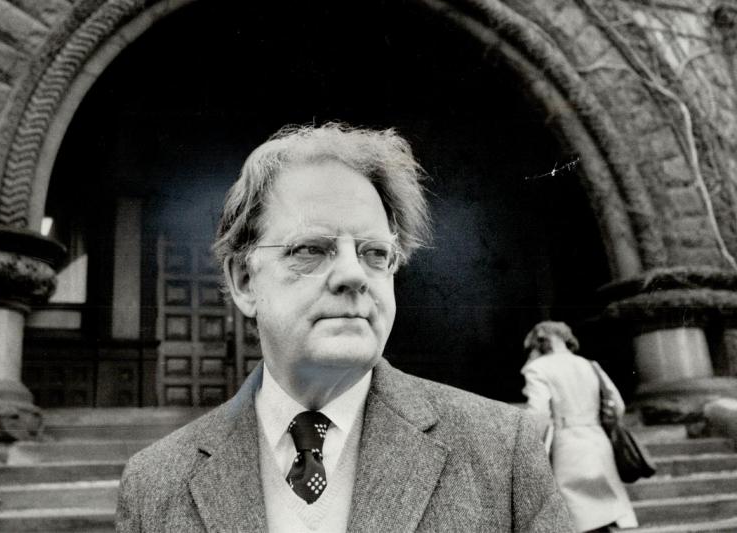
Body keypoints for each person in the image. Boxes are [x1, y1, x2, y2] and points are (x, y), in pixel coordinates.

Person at [116, 123, 573, 532]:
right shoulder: (154, 484)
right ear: (244, 281)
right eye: (311, 249)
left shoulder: (503, 450)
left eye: (375, 253)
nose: (355, 275)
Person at [521, 321, 638, 532]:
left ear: (539, 342)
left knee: (578, 517)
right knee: (603, 514)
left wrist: (526, 443)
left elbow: (538, 414)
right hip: (598, 442)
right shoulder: (589, 365)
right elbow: (618, 406)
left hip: (568, 449)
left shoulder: (537, 368)